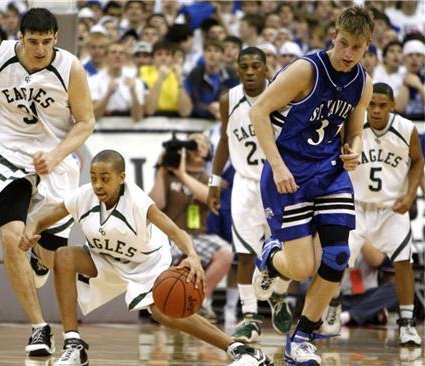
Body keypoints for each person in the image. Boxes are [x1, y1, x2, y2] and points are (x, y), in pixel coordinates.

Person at [20, 150, 272, 366]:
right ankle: (73, 345)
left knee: (163, 313)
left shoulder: (137, 201)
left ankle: (240, 350)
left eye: (105, 179)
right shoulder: (84, 196)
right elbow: (46, 218)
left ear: (121, 178)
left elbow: (175, 230)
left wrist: (193, 255)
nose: (98, 185)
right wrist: (32, 230)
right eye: (94, 178)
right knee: (65, 256)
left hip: (146, 262)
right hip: (107, 259)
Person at [0, 8, 95, 356]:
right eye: (33, 41)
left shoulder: (70, 68)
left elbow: (86, 122)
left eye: (47, 42)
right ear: (20, 36)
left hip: (56, 160)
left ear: (55, 39)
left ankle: (38, 259)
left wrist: (58, 154)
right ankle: (38, 328)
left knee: (48, 259)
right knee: (10, 237)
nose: (39, 49)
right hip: (10, 154)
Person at [249, 7, 374, 364]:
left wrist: (356, 150)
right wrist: (276, 165)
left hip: (330, 173)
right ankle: (272, 257)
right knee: (302, 268)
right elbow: (258, 111)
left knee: (336, 256)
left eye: (357, 47)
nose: (348, 54)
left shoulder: (362, 81)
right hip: (288, 173)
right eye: (344, 44)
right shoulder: (307, 69)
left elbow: (354, 129)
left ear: (367, 46)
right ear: (334, 36)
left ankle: (302, 338)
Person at [208, 47, 292, 343]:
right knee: (244, 254)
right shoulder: (228, 100)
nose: (251, 71)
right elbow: (223, 139)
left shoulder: (283, 95)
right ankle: (250, 318)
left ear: (267, 68)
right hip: (244, 184)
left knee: (288, 253)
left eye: (257, 66)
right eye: (245, 66)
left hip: (277, 183)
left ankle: (279, 296)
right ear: (238, 70)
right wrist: (214, 181)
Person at [344, 83, 422, 346]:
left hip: (391, 208)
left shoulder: (406, 129)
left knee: (403, 260)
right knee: (336, 258)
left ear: (392, 106)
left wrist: (410, 195)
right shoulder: (353, 126)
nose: (375, 111)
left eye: (381, 105)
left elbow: (418, 161)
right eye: (371, 105)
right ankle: (327, 309)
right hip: (358, 207)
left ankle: (407, 323)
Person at [148, 133, 234, 321]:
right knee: (154, 250)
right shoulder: (167, 174)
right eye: (194, 142)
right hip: (168, 237)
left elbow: (209, 198)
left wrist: (183, 175)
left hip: (197, 237)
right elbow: (156, 204)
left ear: (209, 151)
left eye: (203, 143)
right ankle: (162, 302)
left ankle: (199, 302)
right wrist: (161, 172)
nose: (198, 145)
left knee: (226, 252)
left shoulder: (210, 178)